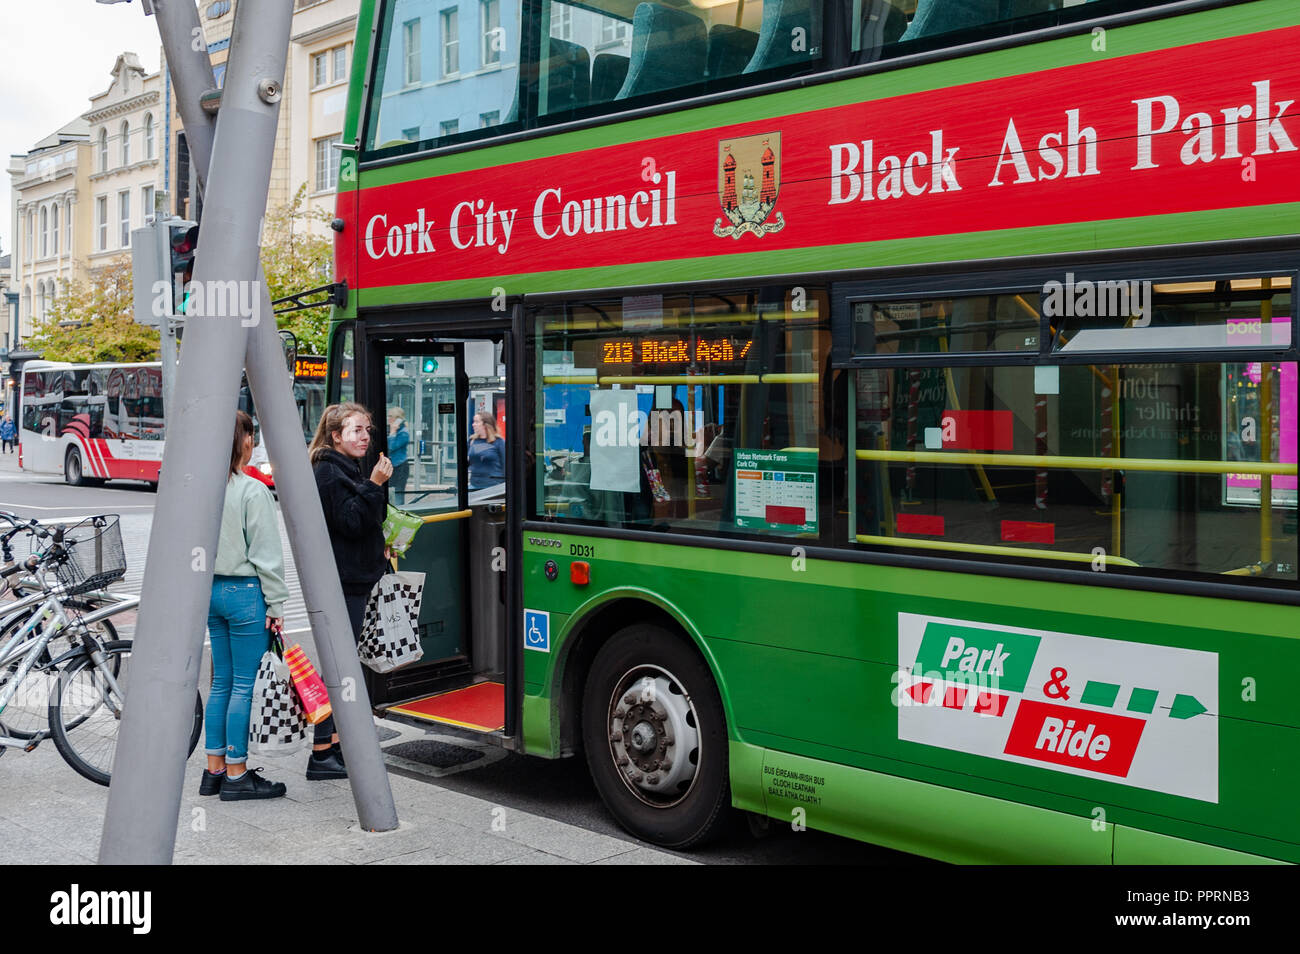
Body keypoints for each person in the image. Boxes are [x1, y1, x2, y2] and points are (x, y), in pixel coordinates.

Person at [201, 410, 291, 801]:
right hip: (244, 594)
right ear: (246, 442)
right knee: (242, 685)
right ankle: (237, 775)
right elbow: (267, 556)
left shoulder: (201, 487)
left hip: (209, 592)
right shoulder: (251, 491)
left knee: (220, 682)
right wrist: (276, 605)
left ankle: (213, 770)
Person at [306, 402, 392, 779]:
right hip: (344, 583)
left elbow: (361, 522)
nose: (364, 437)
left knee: (346, 665)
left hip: (357, 578)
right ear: (336, 435)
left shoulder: (344, 467)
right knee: (340, 667)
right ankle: (322, 752)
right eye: (357, 430)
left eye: (367, 430)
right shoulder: (328, 471)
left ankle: (337, 744)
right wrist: (374, 485)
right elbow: (350, 522)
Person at [468, 410, 505, 490]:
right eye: (474, 422)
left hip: (494, 486)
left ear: (486, 425)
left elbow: (505, 465)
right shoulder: (472, 441)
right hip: (474, 485)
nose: (473, 424)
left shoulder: (499, 442)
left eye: (477, 422)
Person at [387, 407, 410, 504]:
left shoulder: (403, 433)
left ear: (397, 419)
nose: (387, 418)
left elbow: (391, 447)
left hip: (400, 466)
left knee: (398, 494)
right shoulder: (394, 431)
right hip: (392, 465)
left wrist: (392, 432)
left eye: (390, 416)